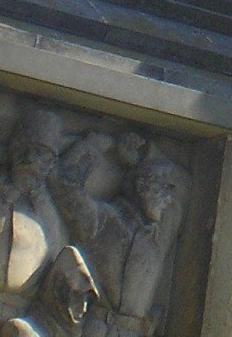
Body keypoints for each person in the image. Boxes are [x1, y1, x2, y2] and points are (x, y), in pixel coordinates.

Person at [48, 137, 187, 337]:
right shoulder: (103, 219)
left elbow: (189, 185)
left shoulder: (160, 232)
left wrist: (147, 152)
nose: (169, 199)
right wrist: (98, 144)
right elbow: (62, 185)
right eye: (164, 188)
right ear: (141, 186)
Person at [0, 109, 72, 337]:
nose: (29, 158)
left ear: (51, 163)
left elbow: (59, 283)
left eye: (40, 153)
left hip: (23, 322)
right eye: (23, 150)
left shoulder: (50, 215)